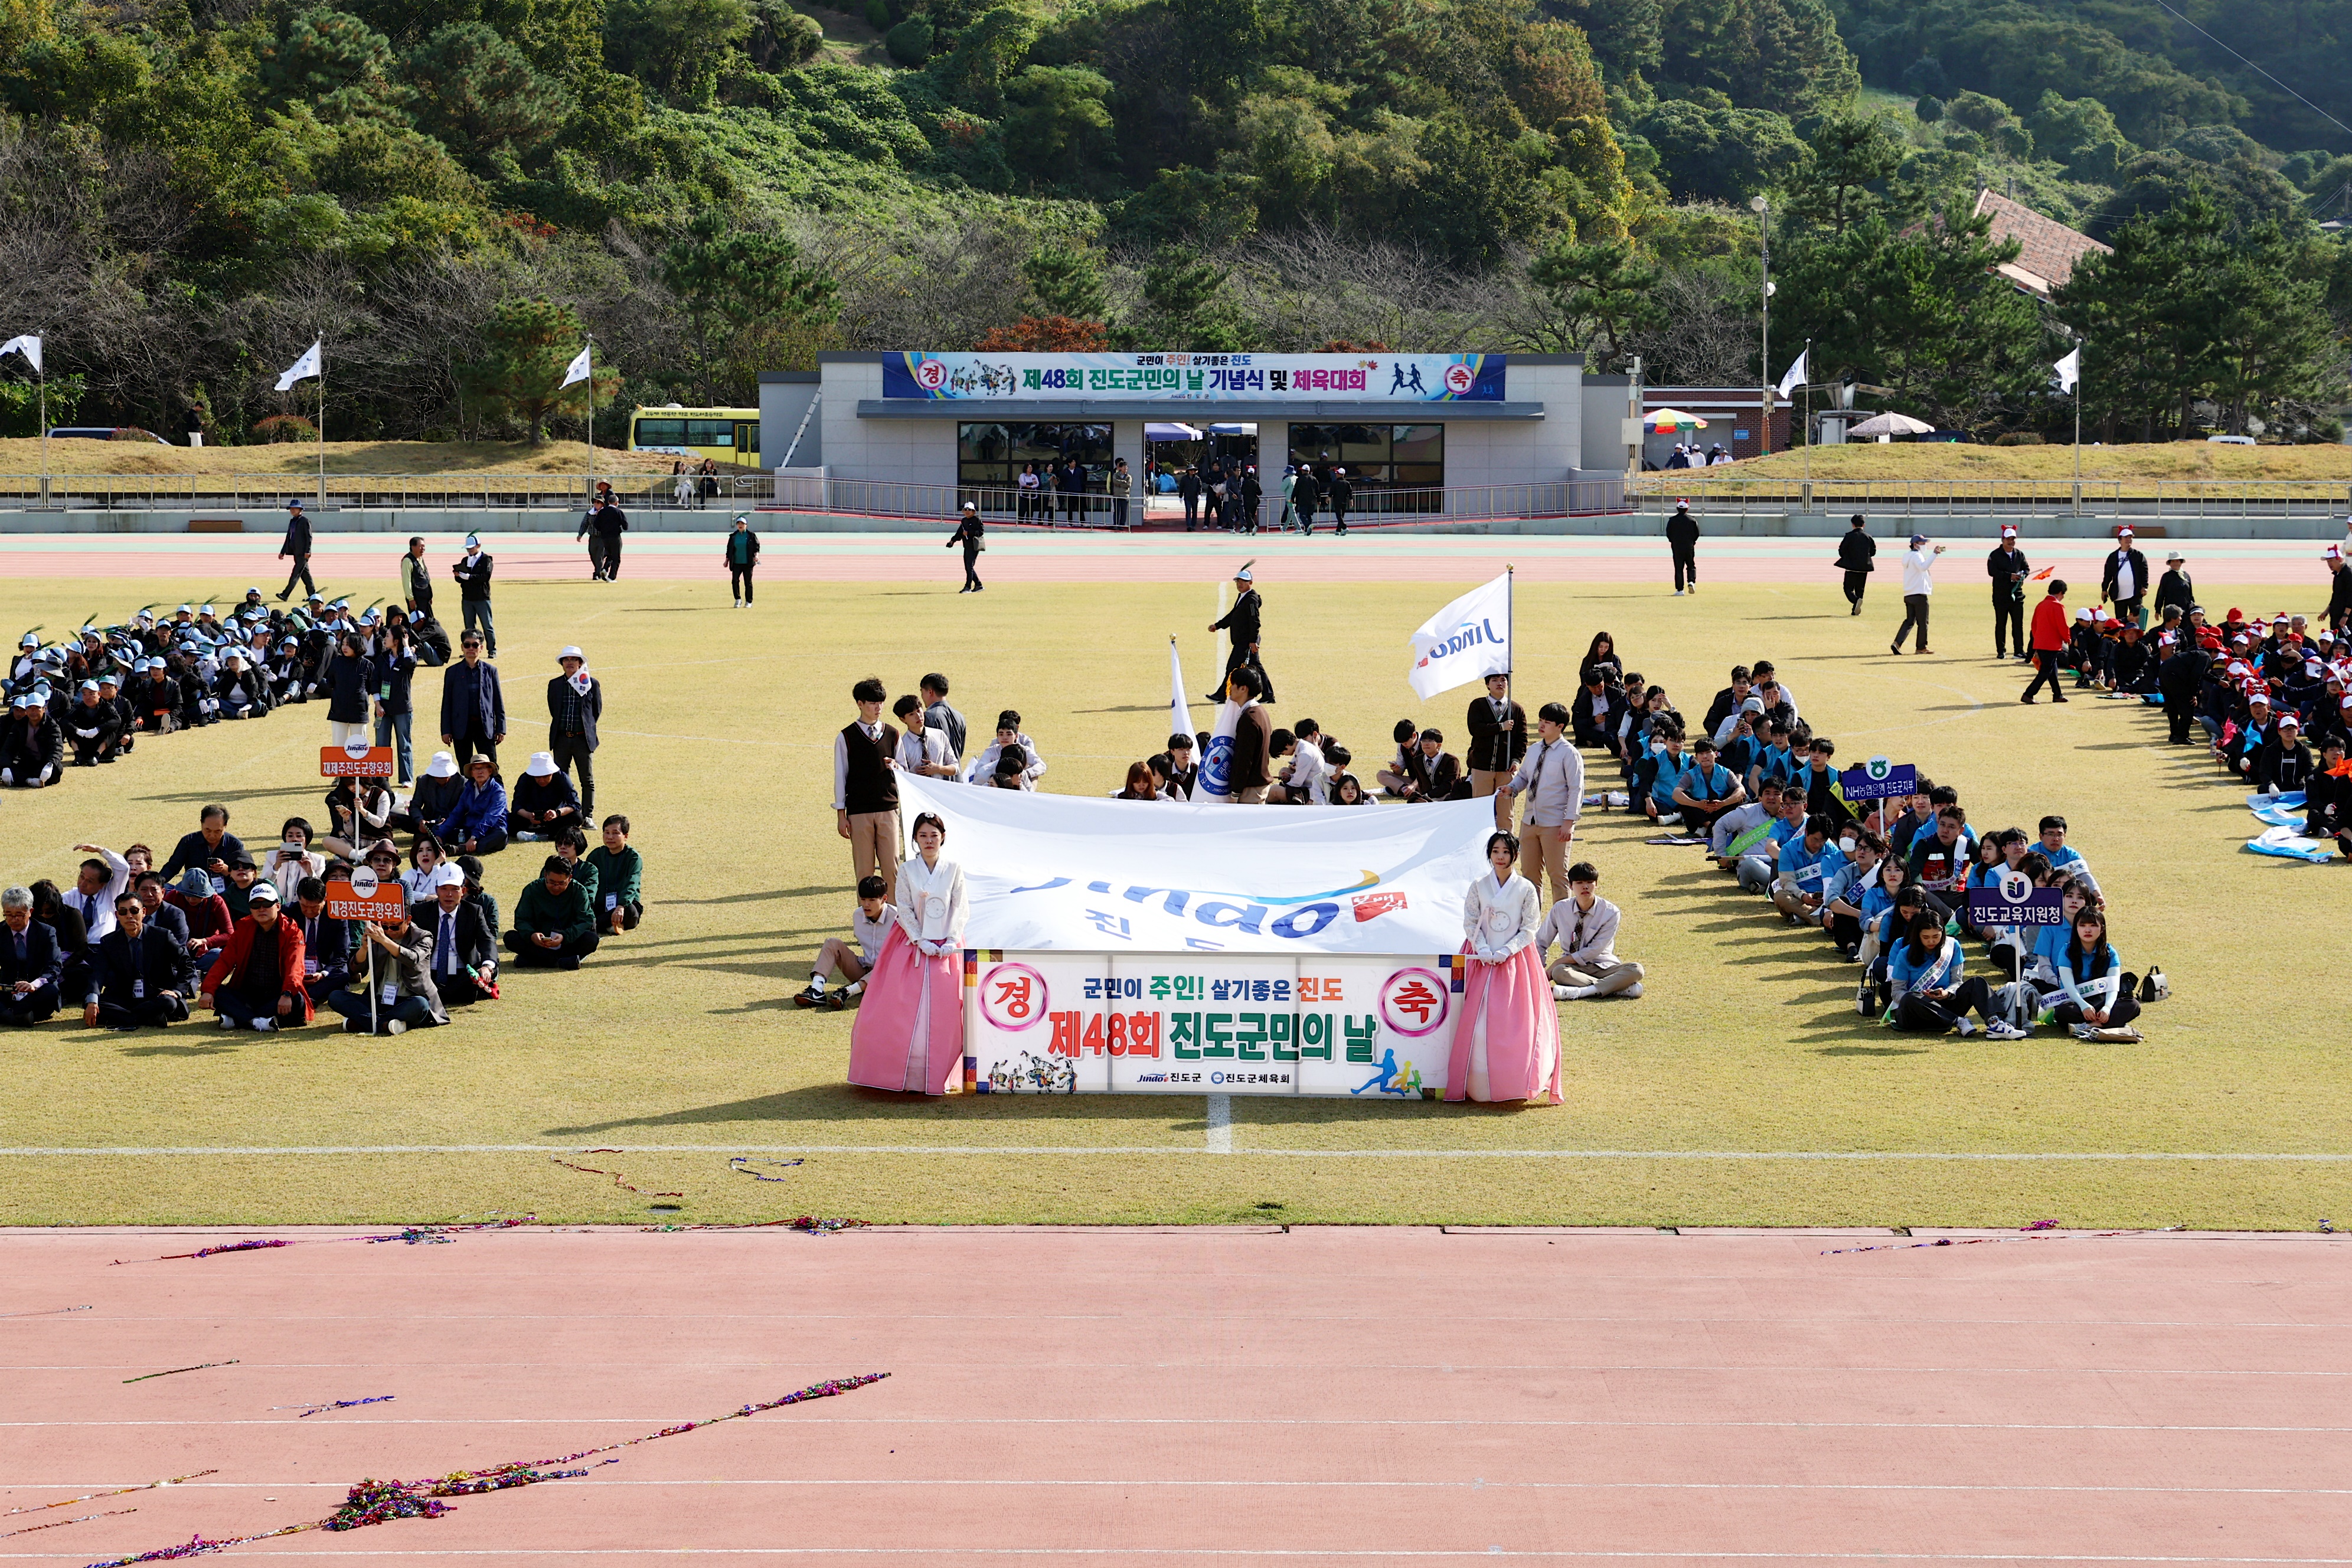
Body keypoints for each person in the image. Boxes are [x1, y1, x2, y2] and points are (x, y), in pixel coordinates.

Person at [847, 812, 966, 1093]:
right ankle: (904, 1073)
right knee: (901, 1008)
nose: (929, 841)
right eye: (923, 836)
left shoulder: (953, 869)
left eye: (934, 836)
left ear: (943, 838)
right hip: (912, 946)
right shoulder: (908, 870)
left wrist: (951, 938)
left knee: (946, 1009)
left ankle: (938, 1074)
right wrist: (919, 938)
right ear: (915, 839)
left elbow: (961, 907)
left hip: (946, 946)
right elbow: (904, 907)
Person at [1443, 832, 1561, 1104]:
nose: (1500, 857)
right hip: (1480, 959)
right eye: (1496, 851)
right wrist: (1483, 948)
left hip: (1516, 960)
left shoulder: (1526, 889)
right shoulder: (1479, 886)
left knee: (1517, 1018)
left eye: (1506, 852)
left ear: (1515, 856)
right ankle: (1478, 1081)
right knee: (1477, 1018)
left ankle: (1516, 1079)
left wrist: (1507, 950)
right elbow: (1471, 921)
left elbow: (1530, 926)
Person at [1886, 914, 2023, 1037]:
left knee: (1977, 982)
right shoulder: (1905, 954)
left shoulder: (1952, 946)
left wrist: (1947, 993)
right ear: (1918, 936)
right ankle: (1958, 1021)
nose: (1931, 941)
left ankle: (1995, 1023)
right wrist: (1921, 997)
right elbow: (1897, 991)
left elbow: (1957, 982)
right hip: (1917, 1012)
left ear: (1943, 933)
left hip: (1945, 1003)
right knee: (1909, 998)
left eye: (1936, 936)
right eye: (1926, 937)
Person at [200, 882, 311, 1031]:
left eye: (267, 904)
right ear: (250, 909)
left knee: (297, 999)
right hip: (248, 994)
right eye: (255, 905)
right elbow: (224, 962)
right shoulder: (243, 929)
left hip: (277, 994)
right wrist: (208, 991)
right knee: (218, 992)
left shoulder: (292, 931)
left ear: (278, 906)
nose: (261, 909)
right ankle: (257, 1022)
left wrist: (287, 993)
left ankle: (239, 1018)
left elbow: (295, 966)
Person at [81, 891, 194, 1030]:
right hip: (125, 997)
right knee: (93, 1003)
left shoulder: (163, 936)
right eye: (123, 912)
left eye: (134, 911)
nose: (129, 916)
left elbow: (187, 965)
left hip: (156, 995)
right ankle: (146, 1017)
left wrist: (176, 991)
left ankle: (128, 1017)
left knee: (169, 1002)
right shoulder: (109, 942)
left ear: (143, 912)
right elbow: (98, 973)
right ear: (117, 916)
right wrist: (93, 1001)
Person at [329, 906, 448, 1034]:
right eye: (385, 926)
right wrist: (364, 948)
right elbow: (356, 968)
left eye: (394, 926)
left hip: (409, 999)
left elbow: (412, 959)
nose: (389, 931)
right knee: (336, 996)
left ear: (408, 920)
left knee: (421, 1004)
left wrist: (384, 940)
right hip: (379, 999)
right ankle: (385, 1024)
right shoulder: (379, 935)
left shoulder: (423, 936)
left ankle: (364, 1022)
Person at [1538, 861, 1644, 1000]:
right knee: (1559, 972)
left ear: (1596, 884)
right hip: (1574, 969)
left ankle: (1581, 992)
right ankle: (1616, 989)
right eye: (1579, 883)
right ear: (1571, 886)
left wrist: (1559, 961)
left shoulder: (1610, 912)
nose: (1585, 887)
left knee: (1636, 969)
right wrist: (1538, 970)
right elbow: (1541, 941)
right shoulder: (1560, 909)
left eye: (1590, 882)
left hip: (1604, 966)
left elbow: (1595, 949)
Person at [835, 675, 901, 888]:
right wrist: (841, 815)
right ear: (860, 704)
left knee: (892, 869)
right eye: (873, 703)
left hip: (888, 808)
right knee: (864, 871)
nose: (878, 707)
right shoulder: (846, 737)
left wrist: (896, 767)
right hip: (859, 812)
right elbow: (840, 776)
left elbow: (904, 770)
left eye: (881, 702)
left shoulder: (892, 733)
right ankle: (867, 919)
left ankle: (894, 918)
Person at [2042, 907, 2142, 1039]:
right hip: (2077, 1002)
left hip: (2103, 1001)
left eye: (2093, 925)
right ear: (2076, 928)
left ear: (2102, 929)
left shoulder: (2110, 953)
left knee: (2133, 1005)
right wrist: (2084, 1006)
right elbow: (2068, 986)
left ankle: (2089, 1027)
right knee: (2062, 1012)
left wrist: (2107, 1008)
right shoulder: (2066, 951)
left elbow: (2113, 986)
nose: (2087, 930)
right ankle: (2108, 1025)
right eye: (2082, 925)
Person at [797, 874, 893, 1008]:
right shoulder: (858, 915)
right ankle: (817, 990)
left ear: (884, 899)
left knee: (889, 963)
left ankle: (848, 991)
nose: (866, 904)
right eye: (863, 899)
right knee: (832, 943)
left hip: (888, 974)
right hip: (865, 969)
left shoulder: (898, 918)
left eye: (872, 900)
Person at [412, 864, 496, 1006]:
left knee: (475, 974)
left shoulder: (474, 912)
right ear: (437, 890)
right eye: (444, 889)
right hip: (428, 970)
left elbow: (486, 939)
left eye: (454, 889)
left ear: (463, 891)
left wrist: (487, 967)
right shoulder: (419, 912)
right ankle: (439, 996)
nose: (449, 895)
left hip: (462, 972)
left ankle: (436, 997)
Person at [503, 854, 600, 969]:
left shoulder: (578, 890)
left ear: (570, 878)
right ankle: (561, 962)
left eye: (561, 883)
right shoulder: (532, 889)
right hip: (539, 943)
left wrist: (565, 936)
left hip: (566, 942)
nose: (556, 887)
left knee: (591, 939)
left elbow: (586, 920)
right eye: (552, 882)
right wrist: (531, 934)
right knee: (510, 938)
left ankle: (534, 960)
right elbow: (521, 919)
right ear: (545, 875)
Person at [1465, 673, 1527, 830]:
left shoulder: (1516, 709)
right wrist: (1500, 727)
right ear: (1488, 685)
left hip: (1506, 769)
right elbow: (1475, 729)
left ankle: (1507, 845)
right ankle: (1479, 843)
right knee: (1480, 810)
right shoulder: (1477, 705)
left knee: (1506, 812)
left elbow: (1522, 738)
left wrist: (1516, 760)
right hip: (1482, 767)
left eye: (1503, 680)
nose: (1500, 683)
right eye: (1495, 680)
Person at [545, 646, 601, 818]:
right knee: (561, 779)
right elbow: (554, 709)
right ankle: (565, 813)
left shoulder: (591, 684)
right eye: (566, 660)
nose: (570, 663)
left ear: (580, 663)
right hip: (561, 739)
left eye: (574, 659)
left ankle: (588, 816)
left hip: (582, 740)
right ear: (562, 663)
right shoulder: (555, 685)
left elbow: (595, 711)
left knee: (587, 779)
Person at [1207, 563, 1273, 703]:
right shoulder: (1243, 596)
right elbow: (1233, 615)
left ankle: (1222, 695)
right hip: (1244, 640)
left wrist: (1253, 641)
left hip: (1246, 641)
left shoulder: (1251, 600)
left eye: (1243, 581)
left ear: (1251, 583)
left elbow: (1255, 621)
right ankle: (1268, 695)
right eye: (1238, 581)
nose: (1239, 584)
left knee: (1232, 667)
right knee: (1256, 667)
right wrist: (1218, 626)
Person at [0, 886, 66, 1026]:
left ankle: (8, 1015)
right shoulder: (0, 932)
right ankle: (19, 1017)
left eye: (19, 914)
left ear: (30, 912)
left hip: (36, 992)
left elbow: (54, 966)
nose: (14, 919)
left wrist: (33, 985)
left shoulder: (46, 932)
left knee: (51, 992)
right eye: (9, 915)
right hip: (8, 990)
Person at [439, 631, 505, 769]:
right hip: (461, 727)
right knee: (465, 767)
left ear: (481, 648)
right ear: (462, 647)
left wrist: (501, 728)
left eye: (475, 645)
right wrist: (446, 730)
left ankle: (495, 791)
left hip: (484, 727)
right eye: (467, 645)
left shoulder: (491, 671)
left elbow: (498, 701)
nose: (471, 649)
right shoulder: (452, 672)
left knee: (491, 766)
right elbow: (447, 703)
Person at [440, 754, 509, 855]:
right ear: (472, 773)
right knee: (442, 829)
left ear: (490, 771)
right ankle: (443, 843)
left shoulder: (498, 792)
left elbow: (490, 818)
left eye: (483, 768)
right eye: (476, 769)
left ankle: (462, 849)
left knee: (502, 834)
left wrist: (474, 837)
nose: (480, 772)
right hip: (471, 829)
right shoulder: (469, 789)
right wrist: (440, 834)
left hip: (491, 831)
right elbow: (457, 813)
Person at [586, 815, 643, 934]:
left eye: (615, 833)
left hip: (624, 906)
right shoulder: (596, 856)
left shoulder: (633, 858)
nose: (610, 837)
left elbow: (632, 883)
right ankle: (606, 925)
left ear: (625, 836)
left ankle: (599, 925)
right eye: (607, 833)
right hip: (601, 905)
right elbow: (588, 883)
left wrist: (621, 905)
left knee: (631, 912)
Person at [1223, 668, 1273, 803]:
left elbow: (1244, 759)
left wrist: (1235, 793)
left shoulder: (1249, 718)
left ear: (1243, 688)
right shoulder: (1260, 712)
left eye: (1233, 684)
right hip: (1256, 787)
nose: (1230, 688)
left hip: (1250, 790)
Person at [508, 751, 583, 842]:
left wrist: (557, 813)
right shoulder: (525, 778)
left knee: (577, 817)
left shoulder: (562, 778)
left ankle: (539, 834)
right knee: (507, 820)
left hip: (555, 818)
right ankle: (550, 834)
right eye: (538, 777)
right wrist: (528, 815)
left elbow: (575, 804)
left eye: (546, 776)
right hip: (529, 817)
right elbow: (516, 805)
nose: (542, 780)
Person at [1891, 533, 1945, 654]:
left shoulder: (1908, 556)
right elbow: (1923, 567)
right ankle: (1921, 647)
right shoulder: (1917, 556)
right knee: (1923, 622)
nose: (1924, 545)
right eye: (1922, 543)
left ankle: (1897, 643)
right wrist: (1935, 554)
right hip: (1919, 593)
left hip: (1909, 593)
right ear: (1915, 545)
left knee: (1910, 621)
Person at [962, 709, 1047, 786]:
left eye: (1009, 734)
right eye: (1001, 734)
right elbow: (980, 769)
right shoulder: (992, 750)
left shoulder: (1025, 748)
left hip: (1019, 782)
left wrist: (1023, 773)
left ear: (1016, 735)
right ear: (997, 736)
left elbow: (1041, 766)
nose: (1005, 738)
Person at [159, 805, 244, 882]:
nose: (212, 836)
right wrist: (158, 882)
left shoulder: (235, 845)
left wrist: (224, 868)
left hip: (226, 894)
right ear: (201, 823)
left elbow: (243, 875)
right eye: (208, 830)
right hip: (194, 892)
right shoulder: (189, 841)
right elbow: (173, 867)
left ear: (225, 826)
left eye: (218, 831)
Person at [2021, 579, 2072, 704]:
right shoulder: (2058, 606)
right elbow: (2063, 626)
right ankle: (2029, 694)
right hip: (2051, 644)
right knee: (2046, 671)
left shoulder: (2041, 605)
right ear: (2061, 593)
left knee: (2052, 670)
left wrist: (2038, 638)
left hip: (2041, 642)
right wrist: (2067, 639)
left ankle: (2058, 694)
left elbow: (2034, 625)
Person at [1, 687, 63, 788]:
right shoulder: (19, 725)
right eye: (30, 708)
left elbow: (57, 748)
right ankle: (29, 781)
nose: (33, 711)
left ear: (44, 709)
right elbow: (8, 748)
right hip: (26, 763)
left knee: (57, 769)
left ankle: (33, 781)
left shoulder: (52, 726)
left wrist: (50, 764)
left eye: (37, 708)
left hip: (43, 762)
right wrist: (5, 767)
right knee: (7, 767)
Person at [1987, 525, 2031, 659]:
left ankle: (2019, 651)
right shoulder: (1995, 555)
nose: (2011, 541)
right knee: (2001, 624)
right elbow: (1992, 572)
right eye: (2008, 539)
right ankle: (2001, 651)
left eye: (2013, 539)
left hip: (2017, 595)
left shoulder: (2019, 554)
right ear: (2003, 539)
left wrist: (2022, 575)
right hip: (2001, 596)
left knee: (2018, 624)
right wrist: (2009, 576)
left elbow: (2026, 568)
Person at [449, 534, 496, 656]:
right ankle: (469, 650)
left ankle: (492, 650)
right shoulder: (466, 560)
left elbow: (486, 576)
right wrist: (458, 576)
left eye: (472, 548)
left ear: (478, 546)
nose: (470, 551)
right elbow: (462, 580)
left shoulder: (486, 560)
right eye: (468, 549)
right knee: (469, 627)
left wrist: (469, 577)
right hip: (467, 598)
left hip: (482, 598)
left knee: (487, 625)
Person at [2101, 526, 2151, 630]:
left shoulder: (2138, 555)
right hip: (2119, 595)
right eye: (2126, 537)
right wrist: (2104, 589)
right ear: (2120, 540)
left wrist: (2145, 586)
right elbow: (2108, 574)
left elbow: (2144, 572)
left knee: (2138, 619)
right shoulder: (2113, 556)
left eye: (2130, 537)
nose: (2129, 540)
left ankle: (2140, 637)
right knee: (2120, 621)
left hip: (2135, 594)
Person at [1396, 726, 1462, 803]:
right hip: (1427, 798)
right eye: (1423, 741)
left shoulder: (1451, 761)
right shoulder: (1418, 761)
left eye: (1430, 741)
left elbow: (1449, 785)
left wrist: (1428, 795)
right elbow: (1421, 784)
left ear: (1439, 745)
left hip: (1447, 798)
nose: (1426, 744)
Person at [276, 498, 316, 602]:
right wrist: (283, 551)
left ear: (300, 510)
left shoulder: (305, 521)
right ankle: (313, 596)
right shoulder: (292, 521)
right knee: (305, 575)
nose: (292, 510)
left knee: (296, 574)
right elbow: (288, 537)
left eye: (295, 508)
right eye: (291, 509)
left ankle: (285, 594)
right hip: (296, 552)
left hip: (303, 553)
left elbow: (309, 537)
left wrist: (308, 551)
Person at [1835, 515, 1876, 615]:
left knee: (1848, 589)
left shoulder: (1849, 536)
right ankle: (1855, 610)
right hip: (1864, 567)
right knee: (1860, 590)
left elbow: (1842, 551)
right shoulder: (1868, 537)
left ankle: (1855, 601)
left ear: (1853, 525)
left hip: (1851, 567)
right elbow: (1873, 552)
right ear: (1864, 525)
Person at [590, 494, 629, 582]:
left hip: (605, 537)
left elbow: (596, 525)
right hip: (615, 537)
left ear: (608, 502)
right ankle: (611, 577)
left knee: (610, 555)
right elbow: (626, 526)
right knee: (617, 558)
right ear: (617, 502)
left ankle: (605, 569)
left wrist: (603, 530)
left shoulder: (602, 512)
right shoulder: (618, 512)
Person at [948, 502, 985, 592]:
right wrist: (952, 541)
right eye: (966, 510)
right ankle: (978, 585)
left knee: (969, 566)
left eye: (970, 510)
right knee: (968, 567)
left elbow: (981, 532)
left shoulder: (977, 520)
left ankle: (968, 587)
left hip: (974, 546)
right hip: (967, 546)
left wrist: (969, 533)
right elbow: (959, 533)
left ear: (973, 511)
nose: (967, 512)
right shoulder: (964, 521)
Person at [725, 515, 761, 606]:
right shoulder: (733, 536)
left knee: (748, 583)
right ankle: (738, 599)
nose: (740, 525)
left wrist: (756, 556)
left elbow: (756, 547)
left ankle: (749, 601)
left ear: (746, 525)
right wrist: (727, 560)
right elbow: (729, 549)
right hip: (736, 562)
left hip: (748, 563)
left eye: (742, 524)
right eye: (739, 523)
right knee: (735, 581)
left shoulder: (751, 536)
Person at [2155, 550, 2196, 628]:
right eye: (2173, 561)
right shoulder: (2166, 576)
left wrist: (2193, 608)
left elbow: (2190, 594)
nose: (2175, 563)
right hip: (2171, 610)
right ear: (2170, 563)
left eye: (2177, 561)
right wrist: (2158, 610)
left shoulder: (2186, 575)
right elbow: (2161, 593)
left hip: (2185, 610)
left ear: (2181, 562)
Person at [1666, 502, 1700, 594]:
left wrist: (1674, 541)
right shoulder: (1692, 520)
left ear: (1677, 509)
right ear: (1687, 509)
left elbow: (1668, 534)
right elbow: (1697, 534)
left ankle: (1680, 590)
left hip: (1677, 547)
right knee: (1691, 565)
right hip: (1689, 546)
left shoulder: (1672, 520)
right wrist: (1692, 542)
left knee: (1678, 568)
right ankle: (1691, 581)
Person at [400, 536, 435, 622]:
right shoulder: (408, 561)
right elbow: (406, 581)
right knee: (419, 623)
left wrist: (429, 596)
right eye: (421, 546)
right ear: (413, 547)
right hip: (417, 599)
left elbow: (425, 577)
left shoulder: (420, 559)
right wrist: (411, 599)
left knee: (430, 621)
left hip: (425, 599)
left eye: (424, 546)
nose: (423, 549)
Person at [1326, 466, 1353, 535]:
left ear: (1340, 474)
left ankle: (1345, 528)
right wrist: (1351, 500)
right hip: (1344, 502)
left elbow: (1331, 492)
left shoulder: (1335, 483)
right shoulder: (1347, 483)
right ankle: (1338, 530)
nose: (1336, 474)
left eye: (1337, 473)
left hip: (1337, 502)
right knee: (1341, 516)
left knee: (1339, 516)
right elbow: (1350, 493)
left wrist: (1327, 499)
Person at [1109, 456, 1133, 529]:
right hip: (1117, 495)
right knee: (1116, 511)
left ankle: (1122, 525)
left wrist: (1120, 483)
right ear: (1121, 468)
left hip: (1125, 496)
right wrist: (1123, 482)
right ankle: (1116, 525)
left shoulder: (1129, 477)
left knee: (1124, 512)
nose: (1126, 469)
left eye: (1126, 468)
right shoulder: (1116, 475)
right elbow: (1115, 482)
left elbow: (1128, 485)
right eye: (1124, 468)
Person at [1178, 464, 1201, 530]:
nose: (1192, 471)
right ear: (1188, 471)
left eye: (1193, 470)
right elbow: (1182, 488)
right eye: (1191, 470)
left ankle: (1193, 525)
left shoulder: (1197, 479)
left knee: (1195, 511)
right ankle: (1189, 525)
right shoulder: (1184, 478)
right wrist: (1180, 496)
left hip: (1195, 497)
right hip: (1187, 497)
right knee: (1188, 511)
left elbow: (1199, 487)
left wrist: (1199, 494)